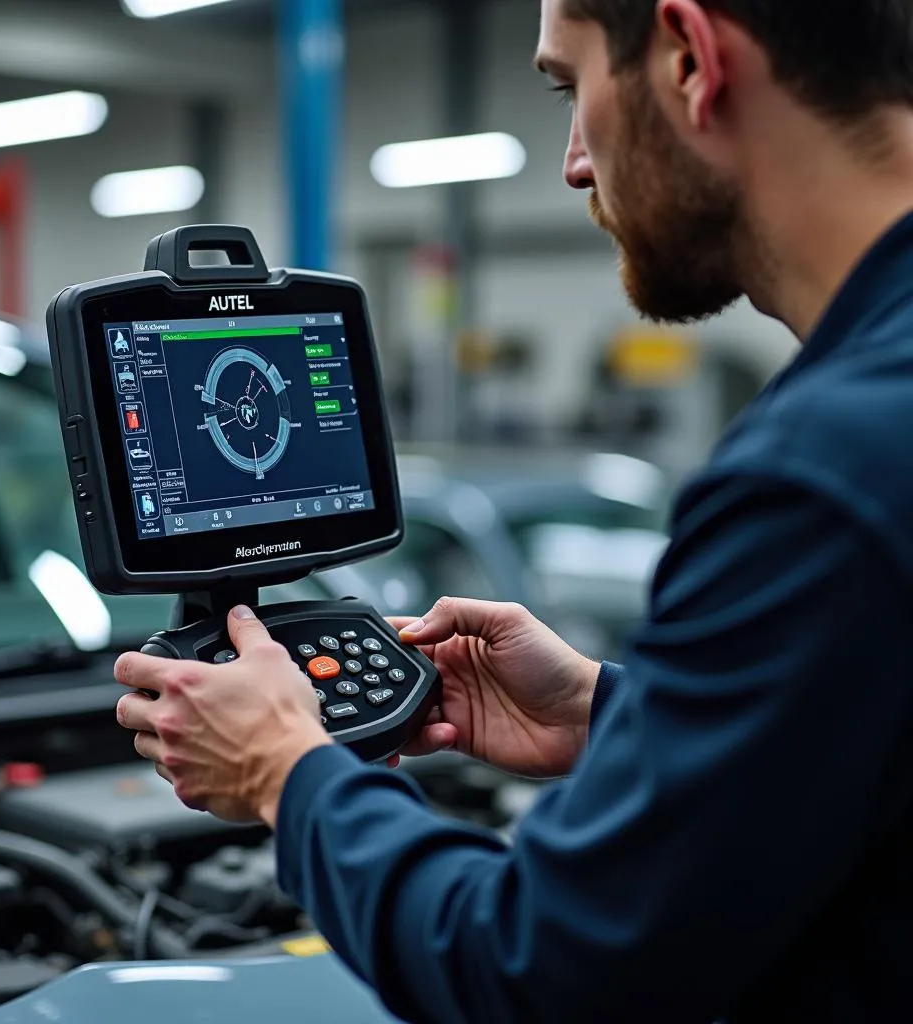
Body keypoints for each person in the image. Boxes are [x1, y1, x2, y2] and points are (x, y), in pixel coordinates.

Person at [113, 0, 913, 1018]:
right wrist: (607, 711)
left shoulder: (820, 473)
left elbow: (537, 967)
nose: (575, 161)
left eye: (571, 89)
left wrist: (289, 774)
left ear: (689, 59)